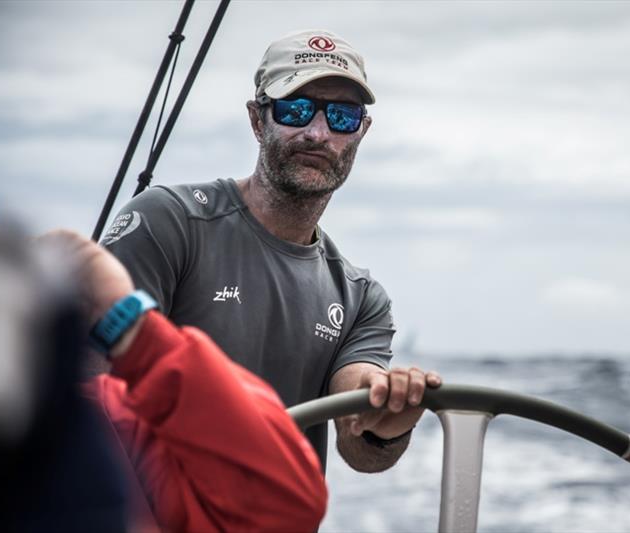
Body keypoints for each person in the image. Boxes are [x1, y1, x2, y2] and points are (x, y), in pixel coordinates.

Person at [102, 29, 441, 472]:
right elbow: (86, 386)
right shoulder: (168, 222)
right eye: (295, 109)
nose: (318, 133)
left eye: (342, 117)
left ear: (361, 131)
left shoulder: (361, 298)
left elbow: (360, 446)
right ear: (257, 120)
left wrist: (385, 416)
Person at [42, 230, 328, 531]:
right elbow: (284, 508)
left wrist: (129, 327)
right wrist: (129, 329)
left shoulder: (104, 417)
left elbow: (283, 508)